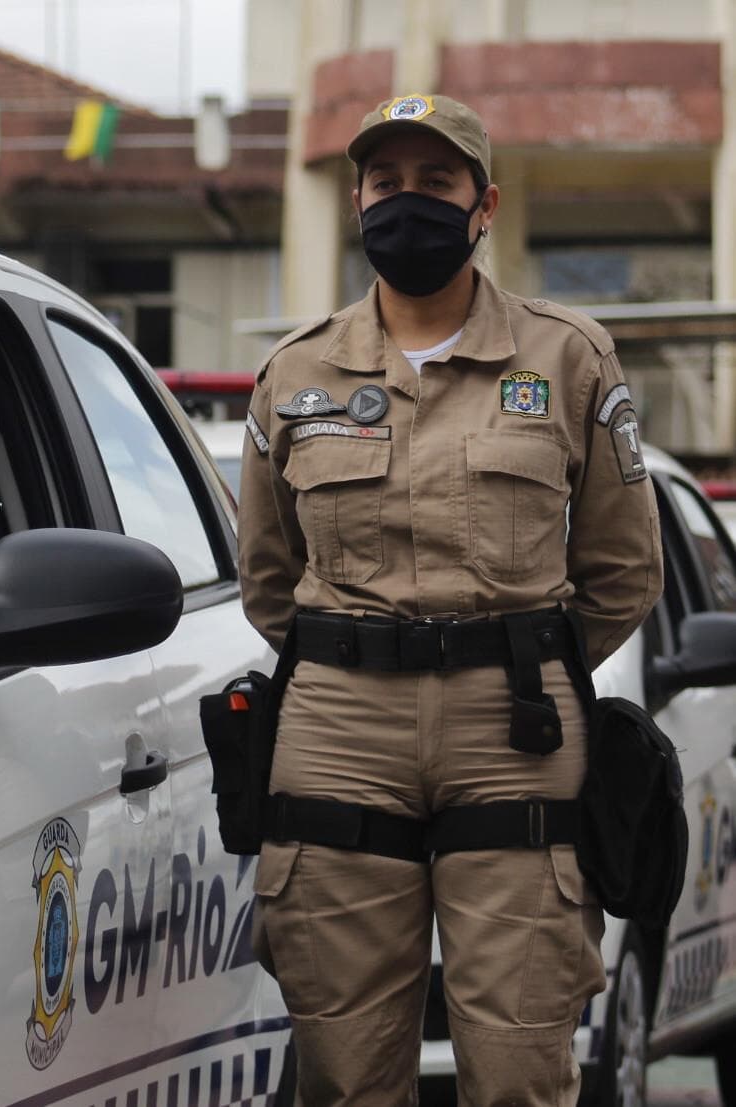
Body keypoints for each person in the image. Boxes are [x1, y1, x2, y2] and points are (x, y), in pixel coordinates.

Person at [237, 93, 663, 1107]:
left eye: (437, 183)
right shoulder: (295, 372)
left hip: (513, 726)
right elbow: (266, 575)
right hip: (339, 727)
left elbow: (622, 569)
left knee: (520, 1062)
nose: (409, 204)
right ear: (356, 202)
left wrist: (527, 652)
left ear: (485, 205)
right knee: (344, 1070)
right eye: (388, 184)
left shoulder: (568, 356)